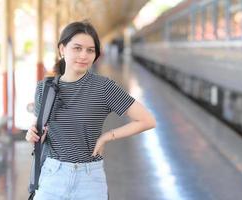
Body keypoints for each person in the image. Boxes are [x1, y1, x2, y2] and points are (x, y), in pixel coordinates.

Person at [25, 21, 156, 200]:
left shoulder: (104, 87)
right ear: (62, 49)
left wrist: (106, 137)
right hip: (52, 175)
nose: (83, 55)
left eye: (90, 50)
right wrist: (32, 134)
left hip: (89, 179)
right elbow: (40, 128)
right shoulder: (44, 89)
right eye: (77, 48)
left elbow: (147, 120)